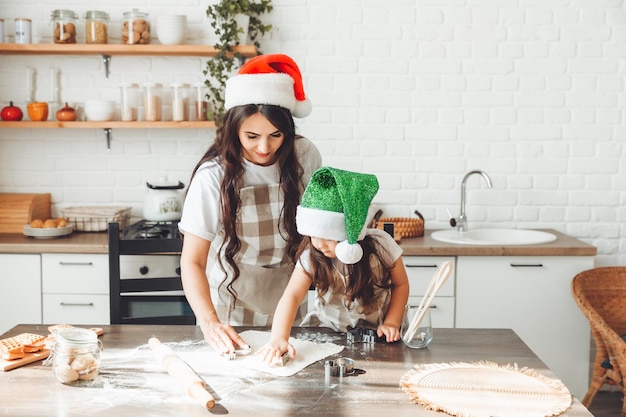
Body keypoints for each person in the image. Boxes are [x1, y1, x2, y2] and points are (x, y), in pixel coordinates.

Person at [178, 54, 322, 354]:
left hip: (290, 299)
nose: (264, 147)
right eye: (252, 136)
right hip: (229, 309)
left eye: (275, 135)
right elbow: (192, 261)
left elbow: (316, 227)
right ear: (234, 130)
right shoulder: (213, 176)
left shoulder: (304, 155)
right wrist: (209, 323)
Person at [257, 167, 410, 365]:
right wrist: (278, 338)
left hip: (378, 334)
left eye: (328, 236)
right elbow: (292, 296)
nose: (319, 244)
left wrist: (392, 322)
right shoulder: (311, 255)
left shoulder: (382, 246)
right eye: (313, 235)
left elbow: (401, 285)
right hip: (327, 332)